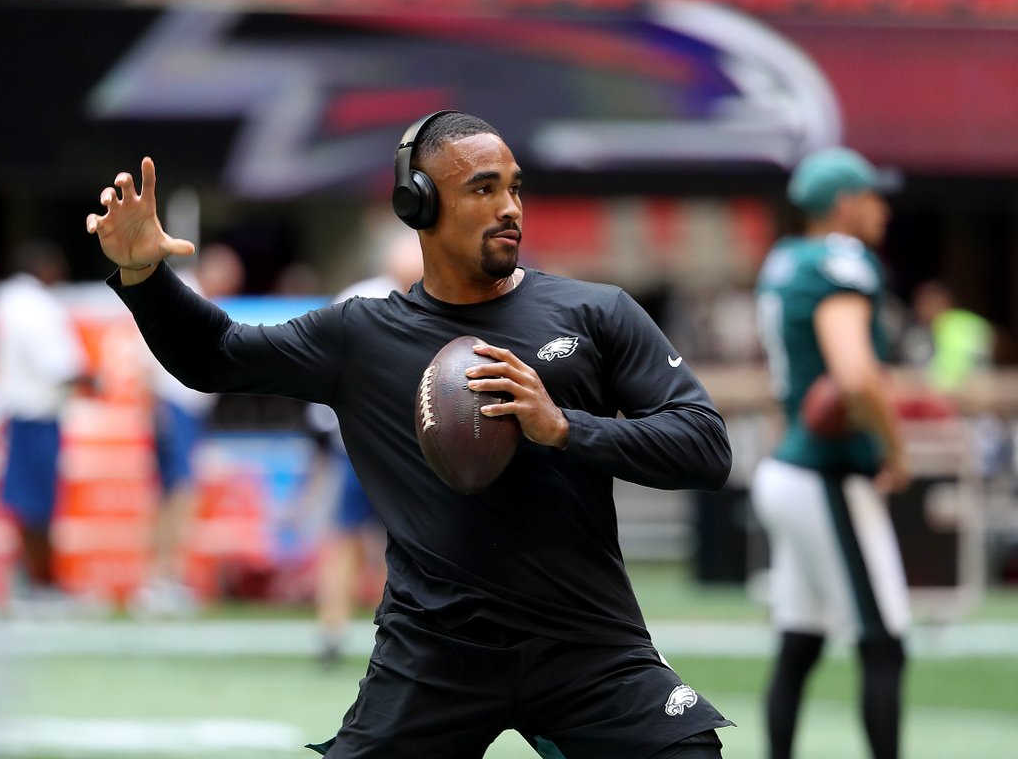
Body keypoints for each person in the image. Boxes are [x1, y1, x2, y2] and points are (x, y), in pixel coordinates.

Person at [86, 110, 734, 758]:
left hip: (587, 644)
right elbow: (215, 355)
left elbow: (704, 447)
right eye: (483, 189)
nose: (510, 207)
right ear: (417, 202)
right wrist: (145, 278)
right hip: (432, 655)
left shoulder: (595, 312)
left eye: (515, 187)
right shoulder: (359, 336)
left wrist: (564, 427)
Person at [751, 147, 911, 759]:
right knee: (884, 642)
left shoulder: (786, 260)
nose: (884, 209)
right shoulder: (840, 261)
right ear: (845, 203)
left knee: (801, 639)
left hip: (789, 467)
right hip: (827, 471)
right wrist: (895, 450)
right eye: (873, 195)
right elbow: (855, 374)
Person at [305, 229, 424, 666]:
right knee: (344, 537)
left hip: (415, 448)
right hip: (360, 442)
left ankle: (404, 634)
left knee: (409, 545)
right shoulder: (361, 300)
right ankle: (331, 631)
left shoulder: (443, 300)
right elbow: (327, 366)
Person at [132, 243, 245, 617]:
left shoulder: (209, 302)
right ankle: (161, 576)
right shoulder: (183, 293)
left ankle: (162, 577)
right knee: (179, 492)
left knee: (174, 493)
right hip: (173, 405)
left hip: (187, 409)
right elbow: (149, 349)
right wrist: (155, 406)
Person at [0, 240, 88, 612]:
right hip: (37, 414)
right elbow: (56, 364)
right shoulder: (35, 306)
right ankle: (41, 583)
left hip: (19, 413)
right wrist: (92, 380)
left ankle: (32, 580)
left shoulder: (10, 302)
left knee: (29, 504)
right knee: (38, 506)